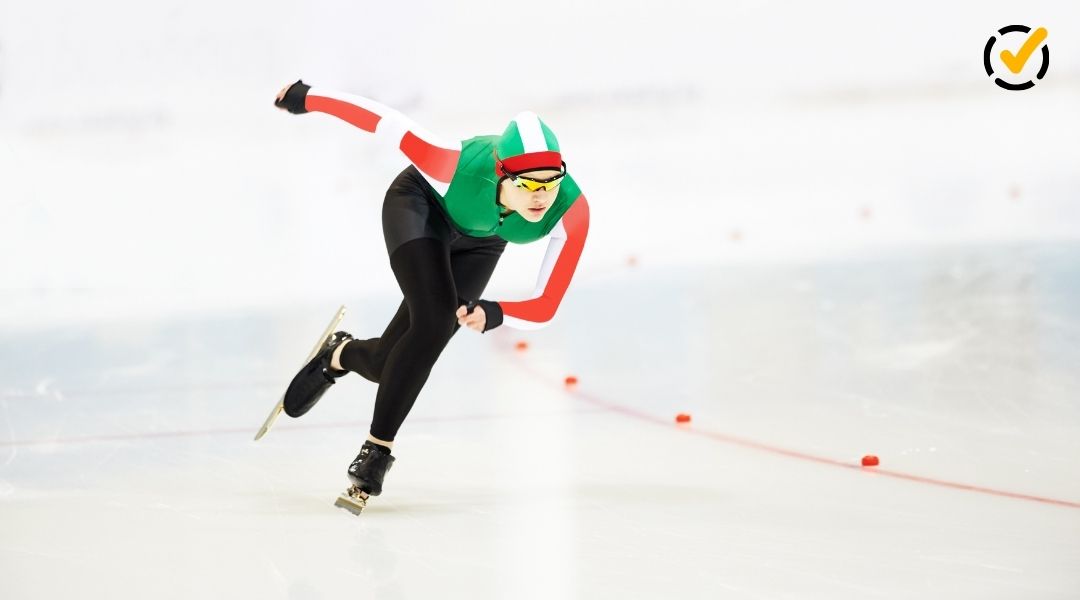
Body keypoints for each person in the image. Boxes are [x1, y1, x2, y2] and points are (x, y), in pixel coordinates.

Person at [273, 80, 591, 503]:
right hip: (420, 208)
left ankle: (341, 354)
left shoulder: (571, 209)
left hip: (483, 240)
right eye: (529, 184)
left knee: (399, 357)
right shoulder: (449, 164)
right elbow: (382, 120)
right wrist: (306, 97)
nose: (542, 197)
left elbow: (547, 305)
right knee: (433, 322)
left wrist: (494, 313)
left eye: (551, 182)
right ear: (501, 172)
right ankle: (377, 450)